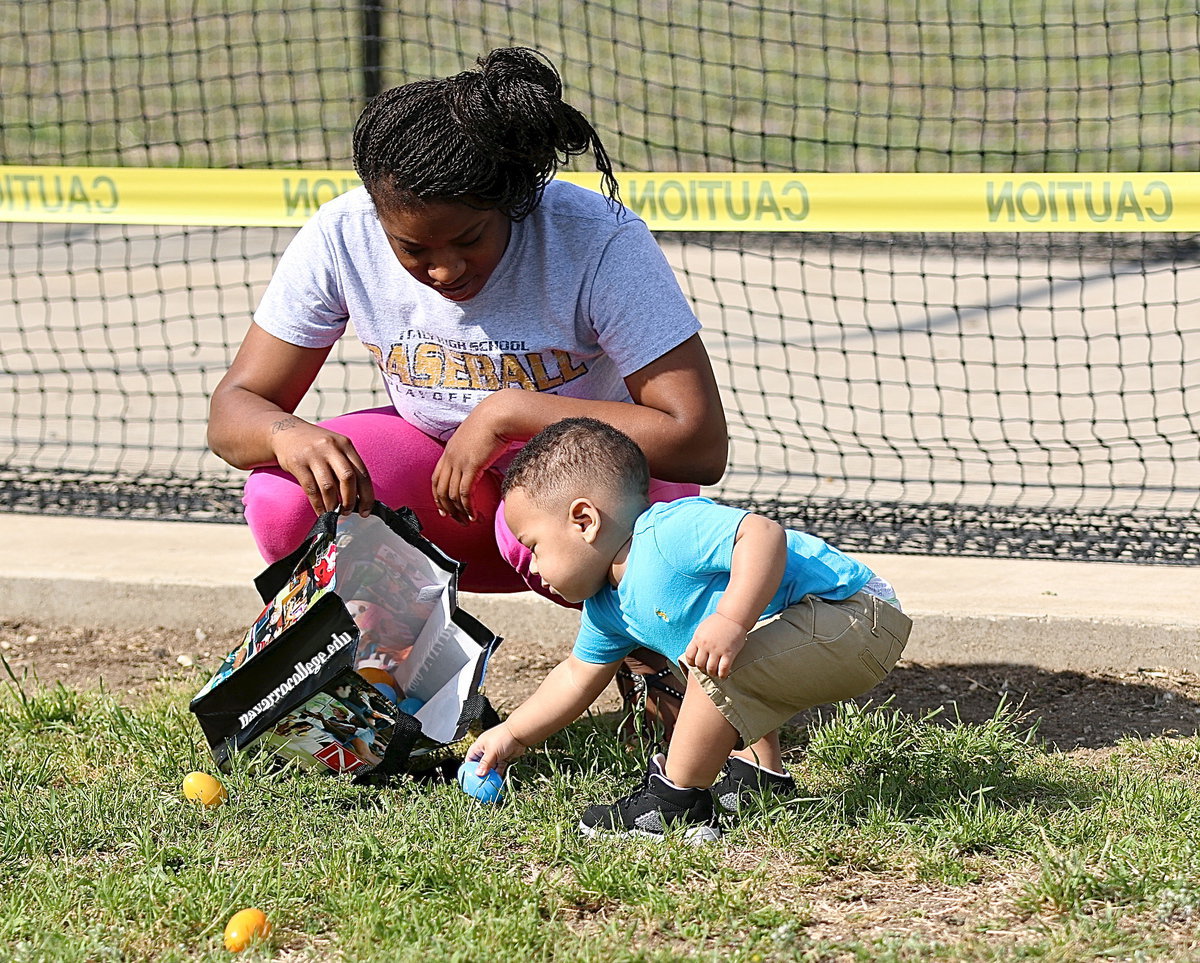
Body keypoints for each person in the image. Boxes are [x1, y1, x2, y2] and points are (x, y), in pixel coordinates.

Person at [206, 47, 727, 735]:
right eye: (413, 250)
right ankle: (415, 686)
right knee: (281, 496)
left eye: (470, 238)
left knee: (543, 505)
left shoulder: (595, 241)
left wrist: (512, 413)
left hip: (597, 505)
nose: (444, 268)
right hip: (451, 497)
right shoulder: (341, 236)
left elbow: (698, 440)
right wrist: (287, 433)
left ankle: (651, 659)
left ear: (511, 202)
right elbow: (234, 409)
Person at [465, 418, 913, 842]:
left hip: (856, 612)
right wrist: (512, 733)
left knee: (714, 661)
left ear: (584, 521)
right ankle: (760, 778)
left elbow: (761, 534)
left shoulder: (667, 532)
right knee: (716, 659)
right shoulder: (608, 607)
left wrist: (732, 619)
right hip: (829, 627)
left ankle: (674, 803)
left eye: (534, 548)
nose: (534, 568)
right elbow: (574, 676)